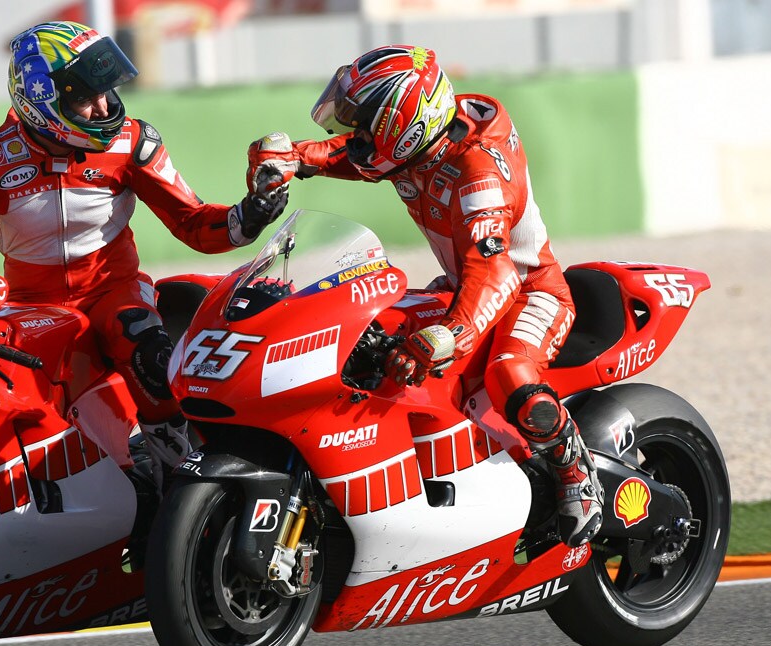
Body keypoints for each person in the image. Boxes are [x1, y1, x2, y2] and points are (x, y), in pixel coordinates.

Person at [0, 21, 286, 485]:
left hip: (114, 292)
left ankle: (182, 486)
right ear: (41, 99)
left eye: (107, 90)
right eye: (84, 96)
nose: (104, 106)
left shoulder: (134, 143)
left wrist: (248, 216)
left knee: (147, 353)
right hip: (29, 308)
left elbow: (194, 224)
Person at [246, 45, 602, 547]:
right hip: (464, 288)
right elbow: (351, 156)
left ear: (402, 122)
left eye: (367, 124)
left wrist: (450, 334)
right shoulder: (419, 145)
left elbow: (494, 268)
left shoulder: (478, 170)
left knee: (508, 374)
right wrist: (293, 159)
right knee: (369, 339)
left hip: (528, 291)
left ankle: (574, 473)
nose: (359, 136)